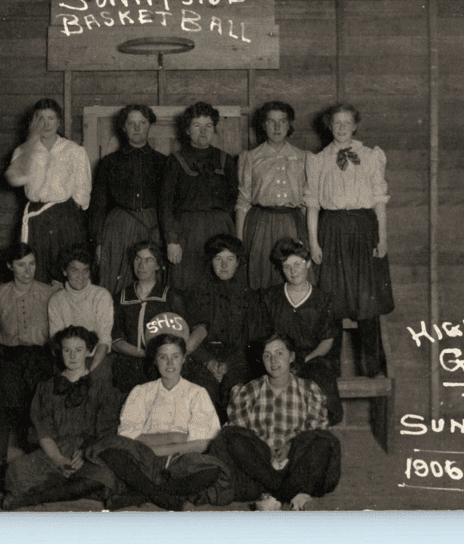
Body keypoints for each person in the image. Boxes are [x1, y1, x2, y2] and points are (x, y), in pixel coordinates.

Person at [86, 314, 233, 511]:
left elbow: (202, 442)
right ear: (155, 361)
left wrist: (152, 445)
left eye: (175, 357)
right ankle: (168, 499)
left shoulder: (197, 393)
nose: (170, 363)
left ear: (184, 359)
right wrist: (176, 436)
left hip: (181, 461)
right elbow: (128, 437)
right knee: (108, 446)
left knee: (212, 471)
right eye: (163, 357)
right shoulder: (141, 391)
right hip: (143, 461)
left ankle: (136, 495)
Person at [304, 102, 394, 377]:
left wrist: (382, 237)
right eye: (336, 123)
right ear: (329, 126)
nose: (341, 128)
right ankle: (330, 370)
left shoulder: (370, 156)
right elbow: (313, 205)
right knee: (332, 300)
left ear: (355, 125)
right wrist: (314, 244)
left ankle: (371, 369)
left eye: (347, 123)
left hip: (364, 230)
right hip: (331, 231)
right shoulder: (318, 160)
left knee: (367, 300)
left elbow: (379, 201)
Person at [208, 334, 341, 511]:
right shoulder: (248, 390)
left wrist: (290, 446)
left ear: (292, 356)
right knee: (229, 437)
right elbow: (239, 430)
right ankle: (291, 491)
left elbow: (316, 429)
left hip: (296, 462)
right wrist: (266, 447)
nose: (274, 360)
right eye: (267, 355)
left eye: (280, 353)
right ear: (261, 359)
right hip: (261, 463)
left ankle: (274, 496)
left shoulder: (309, 389)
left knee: (324, 442)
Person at [0, 326, 119, 511]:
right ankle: (72, 489)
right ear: (59, 351)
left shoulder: (101, 387)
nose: (72, 356)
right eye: (67, 350)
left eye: (78, 350)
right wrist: (58, 459)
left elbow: (106, 429)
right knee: (16, 471)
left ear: (89, 351)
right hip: (54, 451)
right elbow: (43, 432)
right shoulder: (46, 388)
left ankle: (34, 497)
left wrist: (85, 452)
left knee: (107, 476)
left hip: (89, 452)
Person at [0, 244, 57, 483]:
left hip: (38, 357)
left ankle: (37, 461)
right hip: (6, 357)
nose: (27, 270)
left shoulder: (48, 293)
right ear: (9, 266)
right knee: (0, 407)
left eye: (32, 264)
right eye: (21, 265)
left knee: (37, 409)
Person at [5, 98, 91, 284]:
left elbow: (83, 192)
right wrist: (30, 143)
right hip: (36, 219)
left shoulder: (74, 150)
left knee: (67, 271)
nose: (46, 124)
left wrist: (66, 213)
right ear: (33, 122)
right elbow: (14, 178)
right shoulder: (24, 150)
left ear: (59, 122)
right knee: (38, 274)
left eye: (51, 118)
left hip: (65, 216)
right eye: (40, 118)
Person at [258, 237, 343, 425]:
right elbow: (265, 336)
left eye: (298, 264)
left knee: (318, 380)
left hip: (312, 358)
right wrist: (282, 359)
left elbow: (327, 341)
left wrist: (304, 360)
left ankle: (316, 430)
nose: (293, 271)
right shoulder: (270, 297)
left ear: (309, 264)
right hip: (278, 356)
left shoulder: (323, 299)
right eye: (287, 266)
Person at [160, 101, 237, 293]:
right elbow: (165, 204)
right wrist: (172, 240)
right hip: (187, 232)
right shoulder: (176, 160)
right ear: (187, 130)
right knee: (187, 283)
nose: (203, 131)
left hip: (220, 229)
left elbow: (232, 199)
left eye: (208, 126)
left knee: (220, 283)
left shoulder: (225, 159)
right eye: (197, 126)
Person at [90, 104, 166, 294]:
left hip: (152, 226)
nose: (137, 128)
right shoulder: (109, 162)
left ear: (150, 125)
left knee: (151, 280)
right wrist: (99, 243)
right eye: (131, 123)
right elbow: (98, 205)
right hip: (118, 228)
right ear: (123, 127)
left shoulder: (163, 162)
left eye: (142, 123)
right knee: (115, 281)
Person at [236, 101, 312, 290]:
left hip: (293, 224)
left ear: (289, 124)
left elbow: (306, 204)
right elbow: (243, 202)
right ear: (263, 125)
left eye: (283, 121)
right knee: (261, 276)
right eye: (271, 121)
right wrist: (239, 243)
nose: (277, 127)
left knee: (294, 276)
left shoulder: (304, 157)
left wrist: (310, 238)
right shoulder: (251, 157)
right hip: (260, 224)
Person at [183, 234, 257, 422]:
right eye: (218, 258)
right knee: (202, 390)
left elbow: (250, 340)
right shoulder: (196, 293)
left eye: (230, 259)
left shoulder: (249, 296)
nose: (224, 265)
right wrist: (207, 361)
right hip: (204, 356)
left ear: (238, 262)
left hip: (237, 358)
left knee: (235, 389)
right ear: (211, 261)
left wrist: (228, 364)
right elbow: (191, 336)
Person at [111, 240, 186, 397]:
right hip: (128, 365)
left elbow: (183, 336)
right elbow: (116, 340)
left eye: (148, 260)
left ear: (158, 265)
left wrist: (159, 356)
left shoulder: (171, 296)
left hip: (162, 367)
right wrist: (143, 354)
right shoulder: (121, 297)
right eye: (138, 259)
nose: (141, 265)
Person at [48, 243, 113, 378]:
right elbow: (56, 343)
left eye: (85, 270)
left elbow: (104, 340)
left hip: (96, 359)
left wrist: (89, 372)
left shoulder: (101, 295)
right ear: (64, 271)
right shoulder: (56, 300)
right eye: (74, 270)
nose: (81, 276)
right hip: (67, 361)